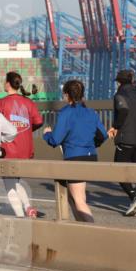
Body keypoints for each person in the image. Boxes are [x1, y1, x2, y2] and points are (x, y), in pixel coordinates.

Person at [42, 79, 108, 223]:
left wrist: (47, 134)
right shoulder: (91, 112)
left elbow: (56, 140)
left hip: (74, 157)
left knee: (78, 200)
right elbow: (103, 135)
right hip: (91, 156)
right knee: (72, 198)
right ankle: (82, 230)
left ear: (66, 95)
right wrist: (90, 144)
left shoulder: (66, 113)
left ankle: (95, 233)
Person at [0, 71, 44, 218]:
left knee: (9, 184)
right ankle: (28, 207)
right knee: (15, 181)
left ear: (8, 84)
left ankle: (21, 217)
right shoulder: (29, 102)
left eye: (4, 81)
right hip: (26, 148)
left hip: (8, 149)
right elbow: (39, 121)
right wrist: (27, 131)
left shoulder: (1, 103)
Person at [109, 69, 136, 217]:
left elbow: (123, 110)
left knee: (118, 170)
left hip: (126, 139)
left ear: (119, 82)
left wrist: (116, 127)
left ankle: (135, 198)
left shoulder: (120, 95)